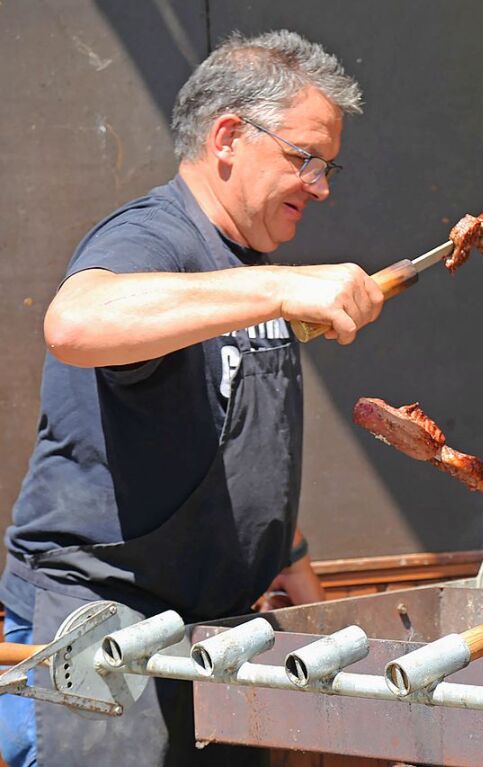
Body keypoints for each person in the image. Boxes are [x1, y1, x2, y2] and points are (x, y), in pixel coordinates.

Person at [0, 30, 383, 767]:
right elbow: (76, 323)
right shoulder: (155, 235)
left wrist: (293, 559)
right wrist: (279, 286)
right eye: (304, 158)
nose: (320, 185)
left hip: (217, 635)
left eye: (327, 165)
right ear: (230, 137)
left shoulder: (244, 267)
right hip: (103, 633)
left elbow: (231, 431)